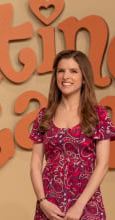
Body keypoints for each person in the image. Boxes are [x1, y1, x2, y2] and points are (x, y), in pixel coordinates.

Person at [30, 50, 115, 220]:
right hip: (50, 205)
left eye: (73, 71)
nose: (65, 76)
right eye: (61, 71)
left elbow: (103, 164)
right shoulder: (44, 116)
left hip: (86, 204)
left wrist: (80, 205)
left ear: (84, 78)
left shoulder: (98, 115)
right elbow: (35, 163)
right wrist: (42, 201)